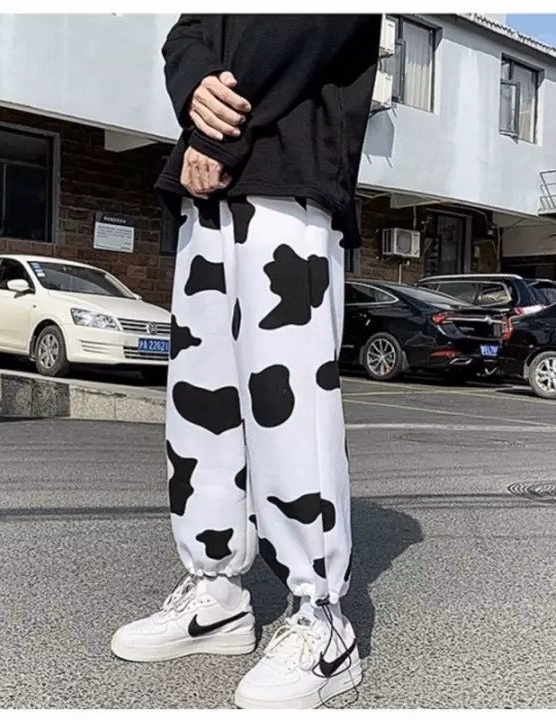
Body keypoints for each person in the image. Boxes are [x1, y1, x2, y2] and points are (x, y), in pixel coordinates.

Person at [111, 14, 382, 709]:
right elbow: (186, 33)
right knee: (201, 404)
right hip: (208, 199)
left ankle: (322, 621)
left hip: (289, 182)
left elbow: (299, 23)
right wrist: (194, 90)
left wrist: (212, 131)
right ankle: (217, 595)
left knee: (290, 407)